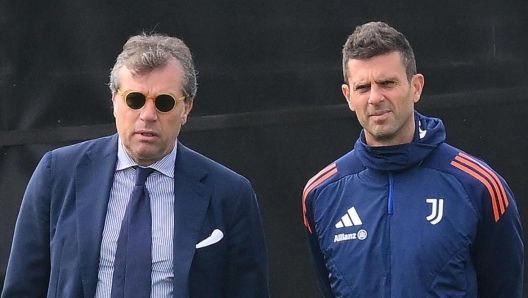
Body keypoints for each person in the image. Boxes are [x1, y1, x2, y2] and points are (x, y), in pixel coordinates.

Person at [2, 33, 269, 298]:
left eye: (164, 103)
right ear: (114, 101)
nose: (148, 115)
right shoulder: (58, 174)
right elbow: (23, 287)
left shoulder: (229, 193)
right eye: (135, 99)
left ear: (186, 109)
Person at [302, 21, 523, 297]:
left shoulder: (479, 186)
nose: (375, 98)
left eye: (387, 83)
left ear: (416, 87)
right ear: (348, 96)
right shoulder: (321, 193)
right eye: (362, 87)